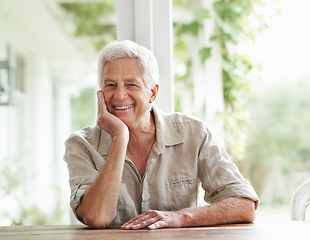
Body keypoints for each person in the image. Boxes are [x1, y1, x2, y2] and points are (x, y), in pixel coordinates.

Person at [64, 40, 259, 230]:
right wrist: (120, 136)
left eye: (131, 84)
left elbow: (245, 205)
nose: (119, 95)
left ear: (153, 94)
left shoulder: (194, 133)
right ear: (100, 93)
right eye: (110, 85)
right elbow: (97, 217)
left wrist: (181, 217)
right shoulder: (81, 145)